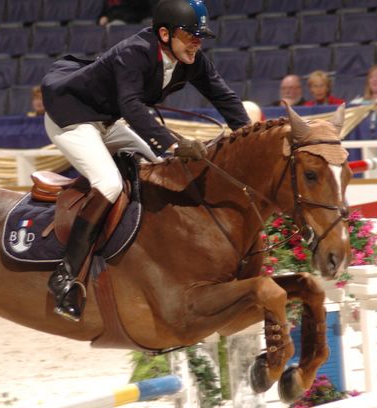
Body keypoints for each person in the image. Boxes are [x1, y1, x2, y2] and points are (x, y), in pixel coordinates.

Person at [41, 0, 250, 321]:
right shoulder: (134, 52)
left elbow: (225, 98)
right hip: (72, 118)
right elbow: (132, 106)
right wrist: (173, 143)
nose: (197, 43)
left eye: (200, 37)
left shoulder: (192, 60)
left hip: (108, 121)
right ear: (164, 34)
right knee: (109, 184)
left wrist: (251, 137)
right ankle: (65, 276)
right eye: (190, 36)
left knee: (164, 170)